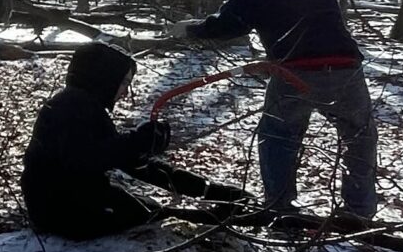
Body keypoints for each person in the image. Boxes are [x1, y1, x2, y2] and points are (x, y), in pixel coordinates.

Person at [185, 0, 377, 222]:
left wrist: (191, 30)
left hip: (295, 72)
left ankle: (279, 207)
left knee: (278, 136)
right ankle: (359, 211)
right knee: (359, 137)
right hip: (346, 70)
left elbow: (226, 26)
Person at [22, 43, 241, 239]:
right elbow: (87, 158)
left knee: (146, 208)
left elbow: (132, 164)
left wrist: (207, 190)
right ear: (104, 79)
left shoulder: (84, 105)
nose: (125, 93)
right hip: (60, 209)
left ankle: (222, 210)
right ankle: (220, 218)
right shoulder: (71, 108)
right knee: (151, 215)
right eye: (123, 83)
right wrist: (137, 143)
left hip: (70, 198)